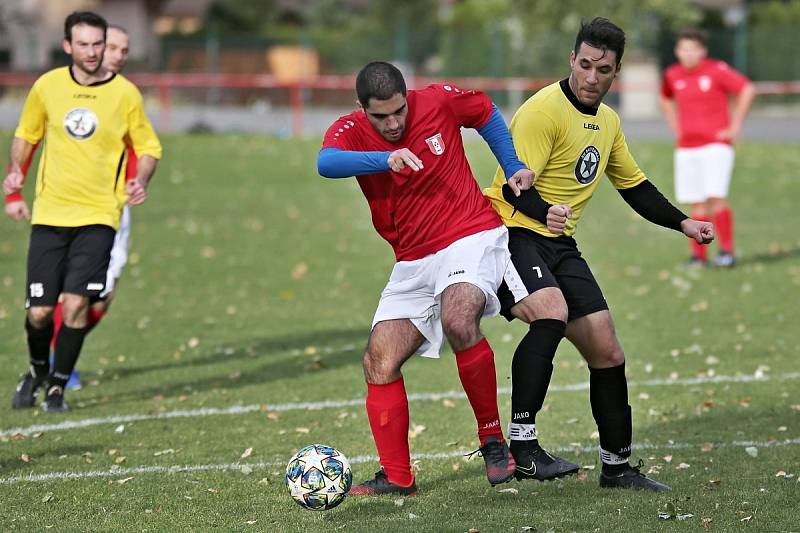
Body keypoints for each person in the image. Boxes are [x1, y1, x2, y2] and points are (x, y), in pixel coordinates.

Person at [484, 17, 714, 492]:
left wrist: (684, 222)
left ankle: (617, 467)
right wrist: (544, 210)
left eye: (602, 69)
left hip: (559, 244)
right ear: (572, 60)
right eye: (585, 65)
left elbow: (634, 185)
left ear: (616, 72)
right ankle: (522, 446)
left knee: (607, 350)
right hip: (510, 231)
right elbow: (515, 182)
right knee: (550, 312)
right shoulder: (542, 111)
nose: (591, 77)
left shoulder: (607, 122)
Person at [317, 61, 534, 495]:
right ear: (361, 108)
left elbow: (486, 112)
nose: (395, 123)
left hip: (470, 234)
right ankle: (397, 477)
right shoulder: (350, 129)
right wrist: (385, 158)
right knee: (379, 360)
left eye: (399, 111)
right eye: (382, 116)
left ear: (407, 96)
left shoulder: (436, 100)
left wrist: (511, 164)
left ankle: (492, 441)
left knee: (459, 318)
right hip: (413, 258)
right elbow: (327, 162)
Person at [6, 11, 161, 412]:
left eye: (99, 44)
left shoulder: (125, 94)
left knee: (77, 305)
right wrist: (14, 183)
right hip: (50, 215)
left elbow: (148, 147)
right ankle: (38, 370)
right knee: (40, 312)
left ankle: (57, 385)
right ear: (67, 47)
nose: (93, 52)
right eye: (85, 44)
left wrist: (140, 178)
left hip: (99, 216)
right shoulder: (47, 86)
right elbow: (27, 136)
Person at [660, 28, 755, 268]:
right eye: (683, 48)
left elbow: (747, 89)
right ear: (677, 51)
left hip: (716, 145)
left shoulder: (716, 70)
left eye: (693, 49)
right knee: (696, 203)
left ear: (702, 51)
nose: (687, 54)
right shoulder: (673, 74)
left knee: (716, 198)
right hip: (687, 147)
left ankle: (727, 252)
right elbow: (665, 98)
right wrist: (675, 126)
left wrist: (734, 127)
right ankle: (699, 257)